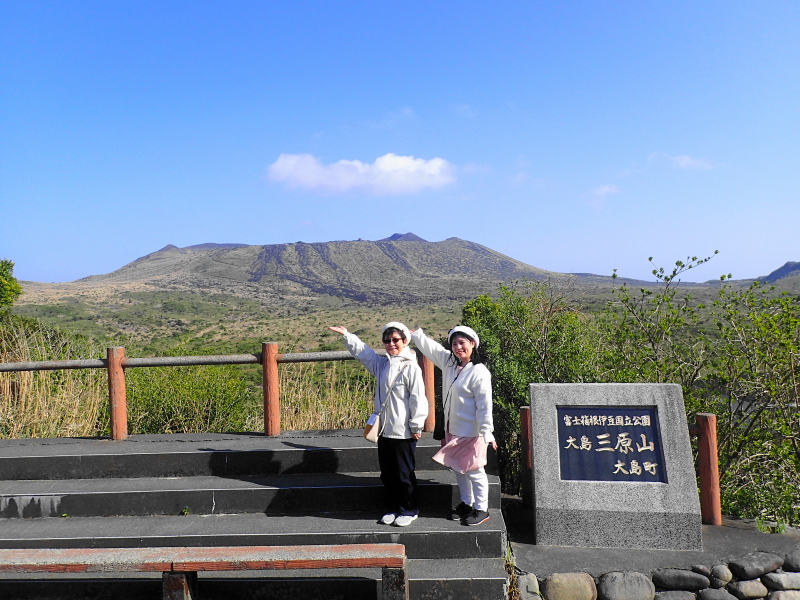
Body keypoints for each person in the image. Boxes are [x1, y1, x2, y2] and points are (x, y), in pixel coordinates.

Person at [328, 322, 428, 527]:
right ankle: (392, 508)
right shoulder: (382, 364)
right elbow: (364, 353)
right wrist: (348, 335)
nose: (391, 344)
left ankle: (409, 509)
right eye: (387, 340)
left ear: (404, 341)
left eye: (395, 340)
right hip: (384, 429)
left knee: (403, 473)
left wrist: (416, 426)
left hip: (403, 431)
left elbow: (418, 398)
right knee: (388, 473)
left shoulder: (411, 366)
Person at [411, 325, 496, 526]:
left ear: (473, 344)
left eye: (462, 343)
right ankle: (467, 503)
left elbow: (485, 405)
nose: (458, 347)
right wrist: (418, 335)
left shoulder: (479, 372)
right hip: (453, 428)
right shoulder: (450, 363)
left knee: (475, 470)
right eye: (454, 343)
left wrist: (487, 432)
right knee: (459, 469)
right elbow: (432, 349)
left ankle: (481, 508)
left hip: (473, 432)